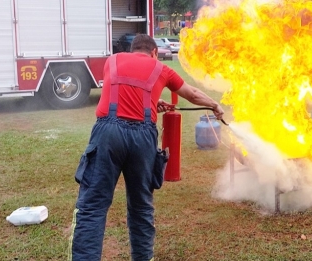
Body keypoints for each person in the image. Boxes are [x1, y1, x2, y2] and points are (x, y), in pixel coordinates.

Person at [68, 34, 224, 261]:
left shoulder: (112, 60)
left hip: (107, 134)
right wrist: (214, 104)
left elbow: (120, 90)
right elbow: (191, 93)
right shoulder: (162, 69)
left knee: (92, 207)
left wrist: (149, 102)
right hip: (142, 138)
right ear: (154, 52)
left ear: (133, 50)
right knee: (141, 208)